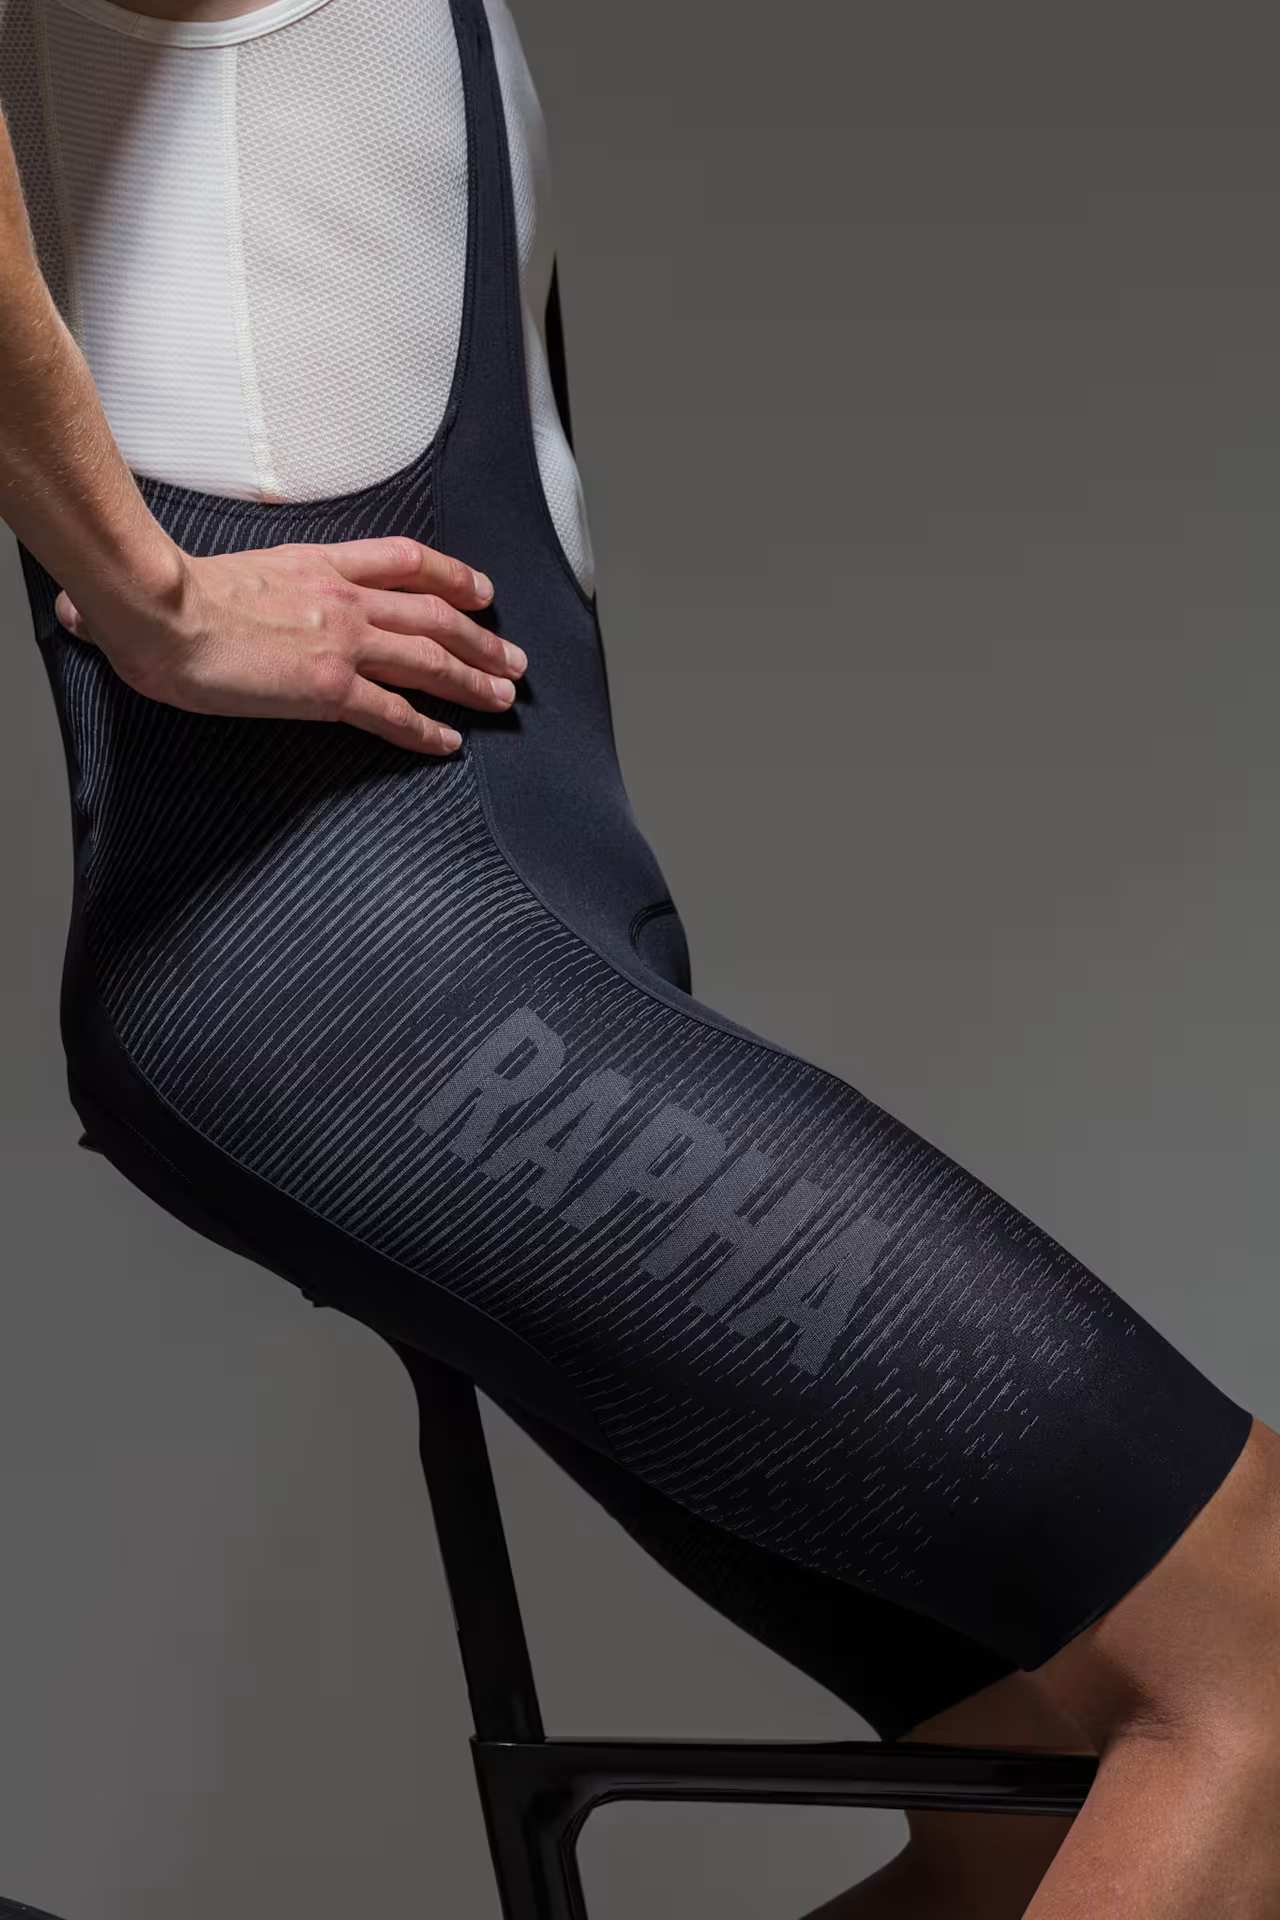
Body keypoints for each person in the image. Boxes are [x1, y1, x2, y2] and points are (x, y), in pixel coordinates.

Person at [1, 2, 1278, 1915]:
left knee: (1035, 1810)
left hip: (473, 974)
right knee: (1259, 1657)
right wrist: (150, 599)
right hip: (372, 971)